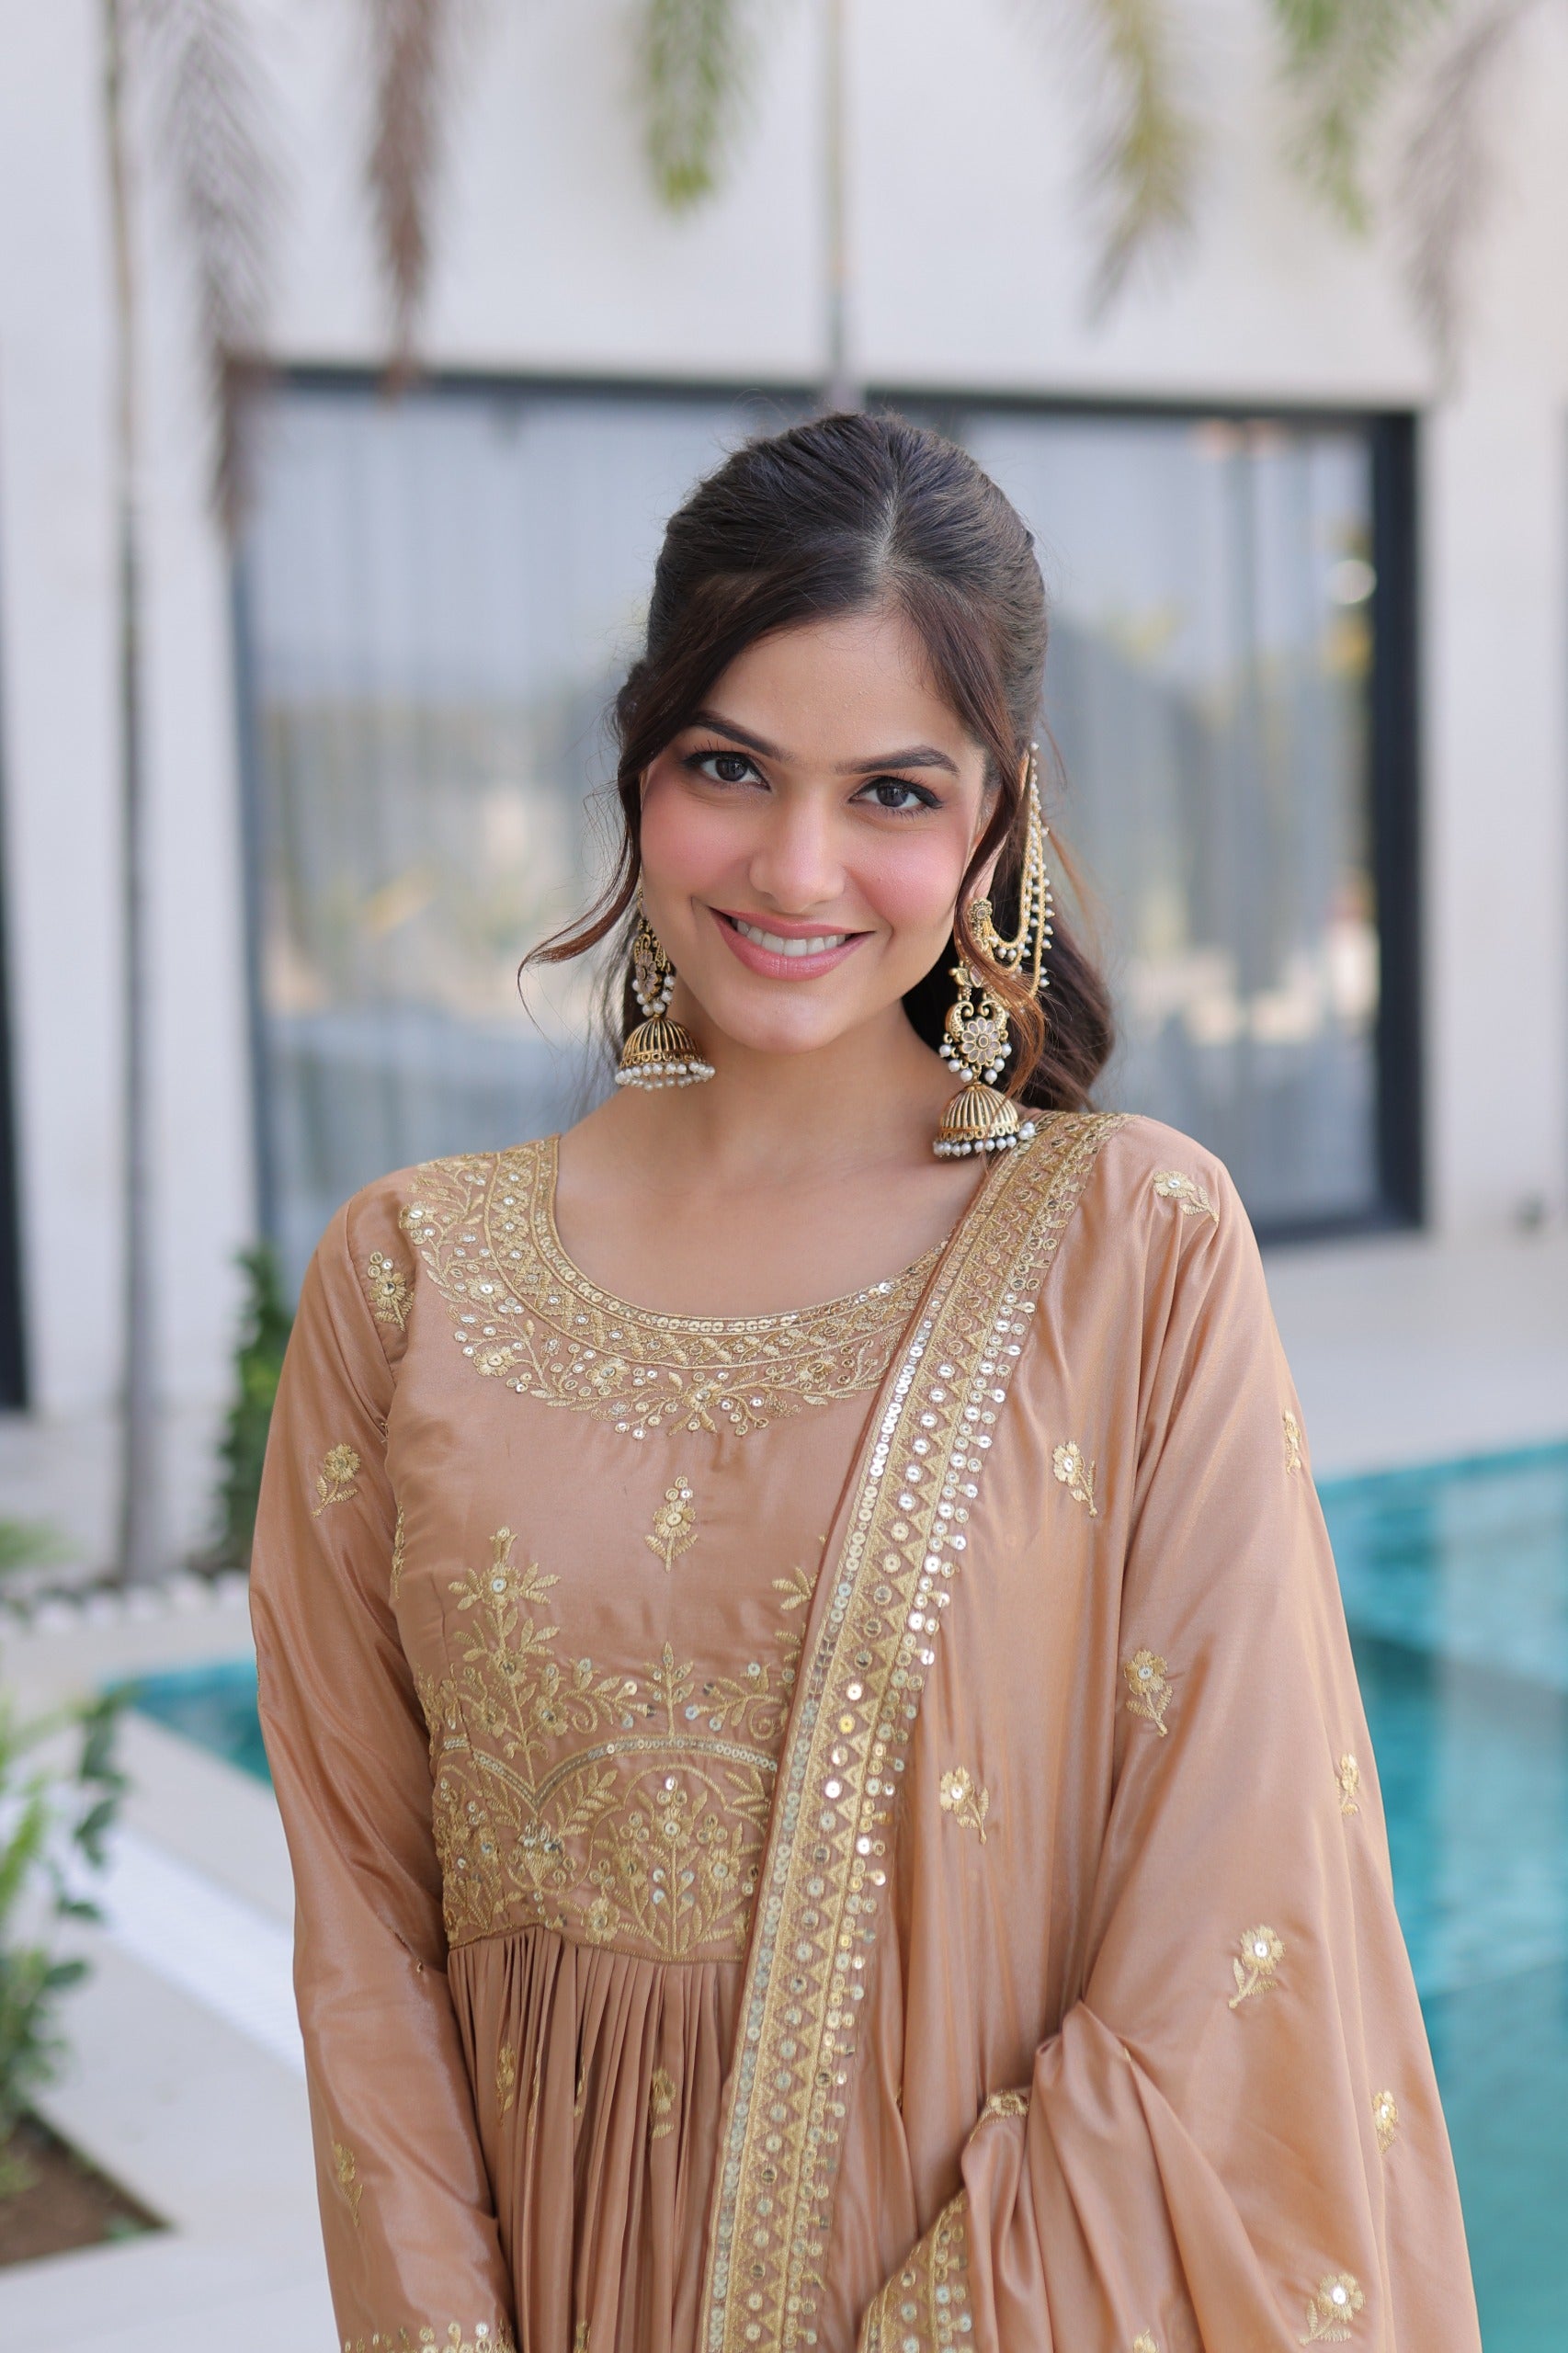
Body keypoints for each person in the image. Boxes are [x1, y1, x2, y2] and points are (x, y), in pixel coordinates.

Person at [251, 412, 1479, 2353]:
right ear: (637, 768)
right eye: (728, 766)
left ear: (998, 819)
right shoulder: (408, 1280)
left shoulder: (1127, 1252)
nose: (795, 864)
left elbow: (1224, 1935)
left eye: (892, 791)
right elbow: (363, 1935)